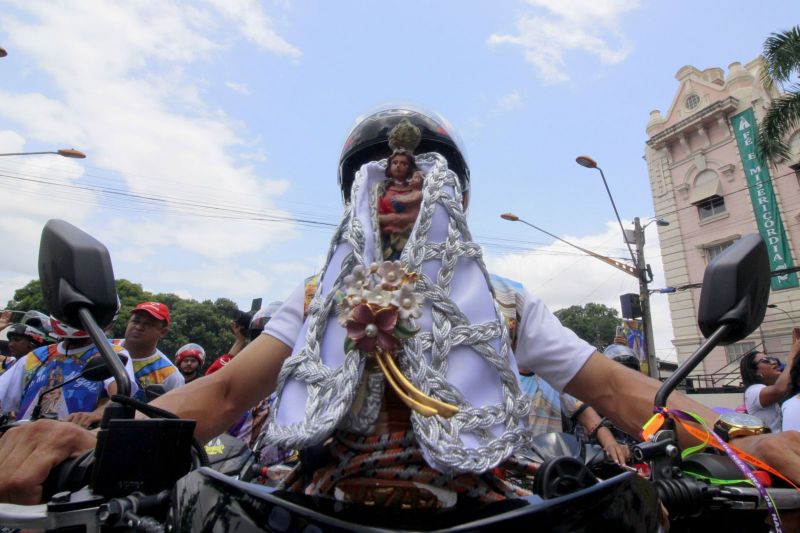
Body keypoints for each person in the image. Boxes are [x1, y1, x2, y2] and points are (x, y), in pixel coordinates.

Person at [3, 106, 800, 507]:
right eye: (380, 173)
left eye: (422, 170)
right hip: (314, 516)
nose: (400, 179)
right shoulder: (316, 296)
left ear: (452, 193)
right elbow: (225, 393)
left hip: (495, 515)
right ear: (357, 194)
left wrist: (746, 439)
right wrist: (95, 438)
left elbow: (619, 391)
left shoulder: (505, 300)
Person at [0, 316, 137, 428]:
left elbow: (120, 396)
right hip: (23, 439)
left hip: (74, 448)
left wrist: (96, 414)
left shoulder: (110, 353)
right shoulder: (36, 356)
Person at [111, 302, 183, 401]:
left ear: (163, 332)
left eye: (148, 324)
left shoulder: (170, 375)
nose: (139, 327)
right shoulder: (102, 346)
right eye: (136, 321)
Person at [740, 341, 800, 433]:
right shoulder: (752, 391)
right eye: (766, 360)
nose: (774, 362)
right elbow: (779, 390)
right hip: (770, 444)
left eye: (773, 358)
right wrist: (792, 353)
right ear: (756, 371)